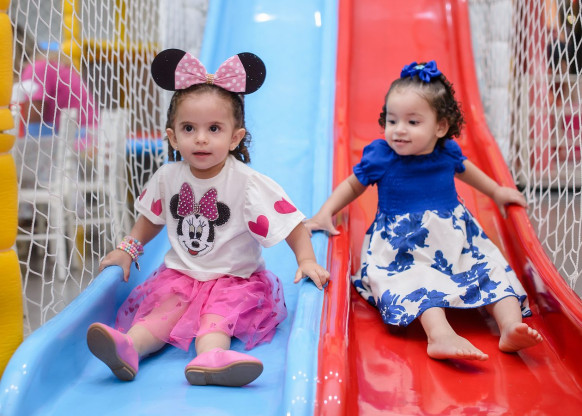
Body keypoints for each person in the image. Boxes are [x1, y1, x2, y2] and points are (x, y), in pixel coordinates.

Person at [86, 49, 329, 386]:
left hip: (234, 280)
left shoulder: (246, 183)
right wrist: (128, 249)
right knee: (160, 316)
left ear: (234, 137)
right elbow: (152, 218)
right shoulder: (168, 176)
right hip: (180, 276)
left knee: (217, 318)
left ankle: (211, 358)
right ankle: (129, 347)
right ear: (173, 136)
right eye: (189, 128)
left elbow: (289, 223)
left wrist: (307, 260)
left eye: (214, 128)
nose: (201, 138)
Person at [305, 61, 542, 361]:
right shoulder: (382, 158)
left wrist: (496, 191)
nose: (399, 130)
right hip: (403, 251)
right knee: (418, 280)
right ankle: (440, 335)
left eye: (413, 122)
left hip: (456, 243)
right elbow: (353, 185)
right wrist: (326, 211)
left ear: (440, 127)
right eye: (392, 120)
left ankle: (510, 326)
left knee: (492, 270)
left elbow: (467, 170)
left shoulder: (446, 152)